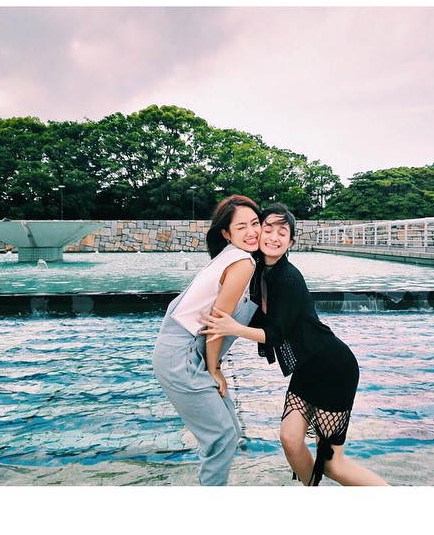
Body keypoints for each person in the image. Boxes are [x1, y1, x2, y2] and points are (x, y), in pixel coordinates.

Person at [200, 203, 390, 486]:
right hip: (307, 368)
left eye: (283, 233)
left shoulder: (287, 277)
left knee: (332, 463)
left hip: (333, 367)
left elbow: (276, 334)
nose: (274, 237)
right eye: (268, 229)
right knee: (290, 440)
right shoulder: (258, 271)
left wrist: (233, 328)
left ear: (290, 242)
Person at [152, 195, 261, 486]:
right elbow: (217, 321)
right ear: (226, 233)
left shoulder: (229, 255)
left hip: (184, 352)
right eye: (241, 227)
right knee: (221, 438)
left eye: (255, 223)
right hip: (182, 356)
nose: (252, 232)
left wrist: (213, 364)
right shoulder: (242, 262)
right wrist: (214, 369)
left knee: (230, 431)